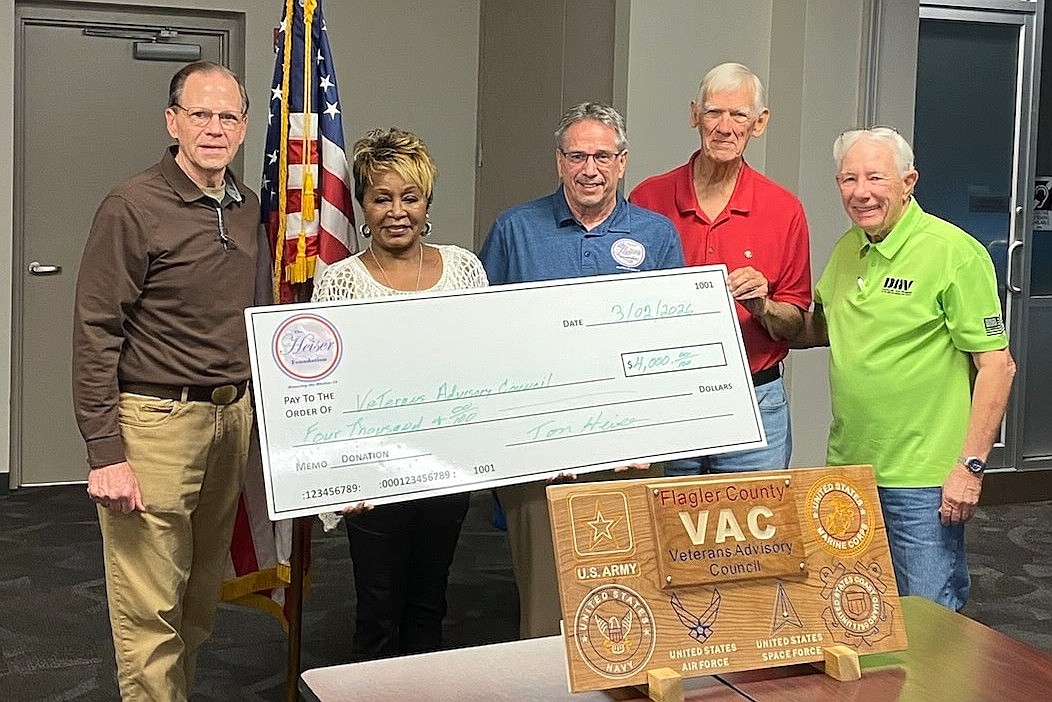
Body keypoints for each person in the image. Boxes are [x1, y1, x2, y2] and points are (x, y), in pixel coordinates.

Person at [72, 61, 258, 701]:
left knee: (197, 599)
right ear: (172, 121)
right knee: (149, 610)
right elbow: (96, 330)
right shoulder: (133, 205)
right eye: (199, 114)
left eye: (227, 115)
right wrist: (106, 453)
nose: (213, 127)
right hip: (155, 425)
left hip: (230, 422)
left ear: (244, 126)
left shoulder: (248, 210)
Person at [479, 102, 684, 638]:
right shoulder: (515, 230)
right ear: (558, 161)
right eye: (576, 156)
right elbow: (483, 337)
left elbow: (672, 341)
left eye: (601, 156)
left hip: (631, 449)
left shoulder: (657, 235)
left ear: (622, 162)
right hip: (539, 446)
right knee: (546, 608)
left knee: (629, 593)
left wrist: (655, 436)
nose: (588, 168)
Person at [791, 126, 1015, 610]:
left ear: (909, 181)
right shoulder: (848, 249)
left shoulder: (953, 252)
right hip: (849, 470)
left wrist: (970, 469)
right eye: (849, 179)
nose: (861, 192)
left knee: (930, 625)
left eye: (876, 177)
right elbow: (823, 329)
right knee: (857, 616)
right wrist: (762, 307)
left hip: (922, 479)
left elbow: (998, 366)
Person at [312, 127, 489, 660]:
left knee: (430, 604)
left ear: (427, 203)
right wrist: (341, 478)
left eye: (409, 197)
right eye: (381, 197)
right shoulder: (340, 282)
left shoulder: (463, 269)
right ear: (362, 206)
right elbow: (328, 391)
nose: (396, 211)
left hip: (445, 467)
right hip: (374, 475)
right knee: (379, 610)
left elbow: (486, 366)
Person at [630, 62, 812, 475]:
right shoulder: (648, 198)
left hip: (755, 401)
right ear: (695, 114)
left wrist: (763, 305)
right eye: (714, 112)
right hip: (668, 399)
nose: (725, 127)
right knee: (670, 533)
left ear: (759, 123)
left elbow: (797, 323)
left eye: (739, 115)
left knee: (751, 537)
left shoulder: (784, 210)